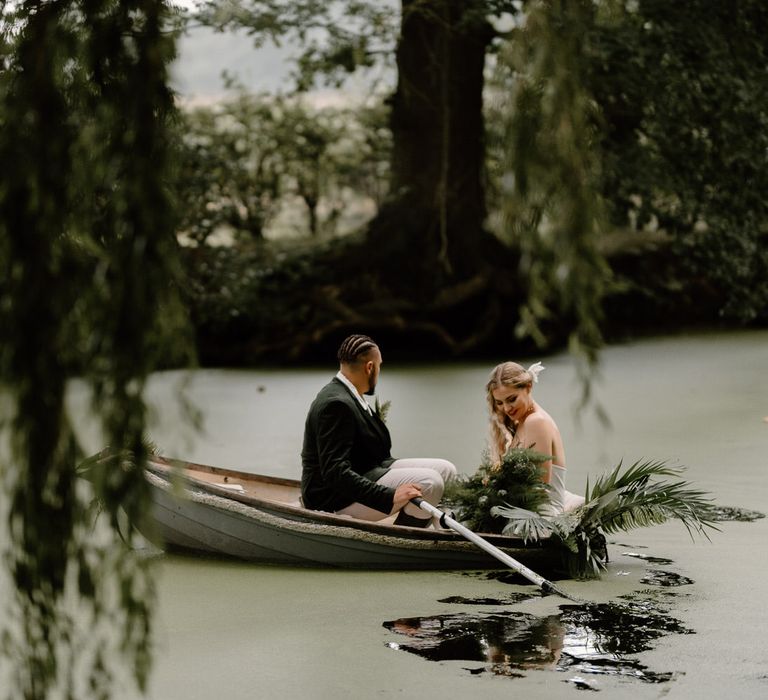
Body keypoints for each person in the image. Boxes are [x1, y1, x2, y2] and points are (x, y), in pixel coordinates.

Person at [301, 334, 457, 527]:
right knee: (430, 482)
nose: (379, 371)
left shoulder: (350, 393)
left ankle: (442, 528)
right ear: (370, 367)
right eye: (380, 366)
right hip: (332, 498)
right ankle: (406, 542)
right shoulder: (336, 404)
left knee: (446, 470)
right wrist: (390, 495)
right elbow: (334, 472)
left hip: (368, 471)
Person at [485, 361, 584, 515]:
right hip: (525, 510)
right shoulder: (521, 421)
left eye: (512, 399)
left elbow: (539, 488)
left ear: (528, 387)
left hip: (538, 516)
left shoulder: (536, 422)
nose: (506, 408)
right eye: (499, 402)